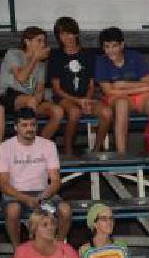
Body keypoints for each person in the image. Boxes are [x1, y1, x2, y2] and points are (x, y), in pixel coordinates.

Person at [0, 107, 73, 245]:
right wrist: (25, 198)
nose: (29, 128)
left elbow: (55, 181)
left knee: (65, 210)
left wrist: (43, 196)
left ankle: (59, 245)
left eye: (32, 125)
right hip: (15, 194)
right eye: (24, 125)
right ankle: (17, 248)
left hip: (43, 192)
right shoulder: (4, 148)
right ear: (16, 127)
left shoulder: (48, 145)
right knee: (13, 211)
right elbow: (3, 184)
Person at [48, 16, 112, 156]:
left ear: (76, 33)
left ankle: (96, 150)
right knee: (74, 112)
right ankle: (68, 152)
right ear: (58, 36)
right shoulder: (55, 56)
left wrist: (86, 101)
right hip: (64, 98)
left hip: (85, 97)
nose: (67, 37)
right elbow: (56, 89)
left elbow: (90, 84)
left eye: (70, 33)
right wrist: (78, 102)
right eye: (63, 34)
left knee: (107, 113)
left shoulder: (88, 55)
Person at [95, 27, 149, 154]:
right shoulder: (102, 61)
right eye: (106, 46)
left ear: (122, 45)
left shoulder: (135, 57)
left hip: (139, 96)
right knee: (122, 104)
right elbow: (108, 91)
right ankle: (122, 154)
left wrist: (122, 84)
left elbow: (148, 82)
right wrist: (141, 87)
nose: (110, 50)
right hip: (118, 98)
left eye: (114, 46)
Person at [0, 27, 64, 141]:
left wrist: (37, 101)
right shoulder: (13, 54)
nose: (43, 44)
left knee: (58, 111)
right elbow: (21, 78)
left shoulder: (41, 64)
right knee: (30, 101)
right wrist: (35, 58)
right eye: (39, 40)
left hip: (31, 100)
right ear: (27, 42)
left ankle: (40, 143)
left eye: (44, 41)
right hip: (8, 95)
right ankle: (29, 144)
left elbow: (40, 90)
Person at [12, 207, 81, 258]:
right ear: (34, 229)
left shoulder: (67, 249)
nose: (50, 228)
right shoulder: (22, 252)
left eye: (52, 224)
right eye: (45, 225)